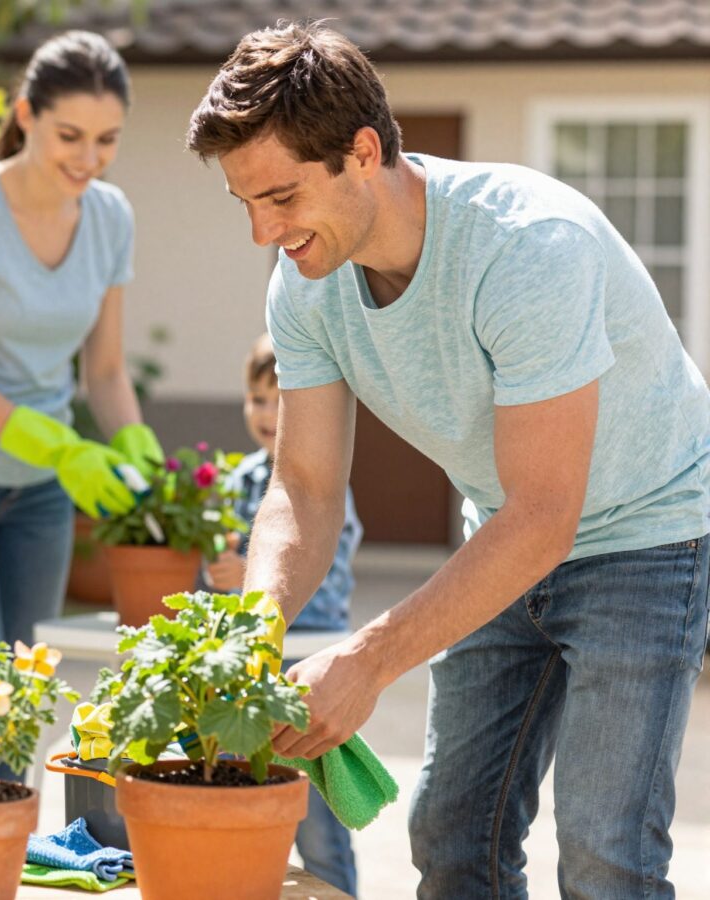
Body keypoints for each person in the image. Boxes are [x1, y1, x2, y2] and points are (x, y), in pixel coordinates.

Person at [186, 20, 710, 898]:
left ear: (362, 152)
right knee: (452, 834)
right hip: (503, 528)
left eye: (280, 196)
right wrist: (253, 630)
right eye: (245, 203)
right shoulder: (306, 285)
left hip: (646, 538)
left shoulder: (527, 248)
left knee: (604, 852)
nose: (262, 231)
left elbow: (546, 516)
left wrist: (366, 662)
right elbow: (305, 486)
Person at [0, 30, 161, 653]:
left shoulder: (111, 217)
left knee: (25, 677)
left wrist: (135, 443)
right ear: (26, 115)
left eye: (107, 139)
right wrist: (60, 447)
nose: (89, 158)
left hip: (43, 496)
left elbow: (105, 371)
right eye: (70, 136)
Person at [199, 332, 361, 895]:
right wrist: (219, 575)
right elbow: (215, 583)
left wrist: (249, 570)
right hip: (247, 675)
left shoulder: (326, 483)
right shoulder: (236, 482)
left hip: (307, 667)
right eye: (257, 399)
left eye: (282, 399)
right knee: (241, 804)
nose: (268, 414)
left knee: (320, 827)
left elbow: (328, 576)